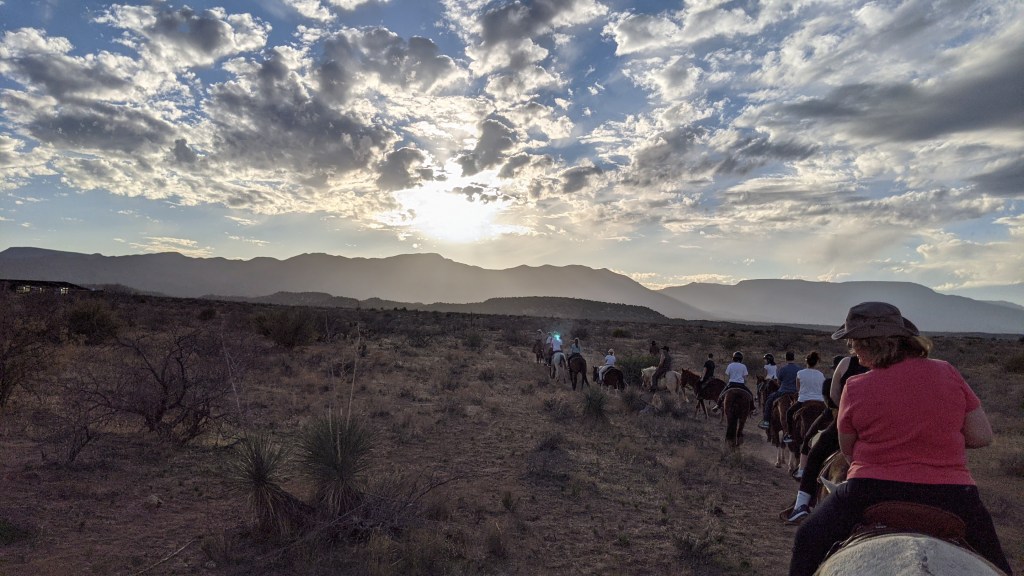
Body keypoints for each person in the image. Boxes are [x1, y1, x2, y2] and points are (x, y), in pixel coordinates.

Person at [788, 302, 1012, 576]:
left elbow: (849, 451)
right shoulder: (947, 371)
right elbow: (982, 436)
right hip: (953, 494)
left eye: (854, 345)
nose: (854, 354)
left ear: (872, 344)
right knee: (999, 567)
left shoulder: (856, 386)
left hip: (869, 490)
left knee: (807, 539)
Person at [784, 353, 868, 524]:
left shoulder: (847, 363)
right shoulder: (895, 362)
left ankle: (801, 505)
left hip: (846, 418)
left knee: (815, 451)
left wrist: (845, 412)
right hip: (882, 425)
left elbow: (833, 394)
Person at [782, 351, 825, 450]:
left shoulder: (800, 373)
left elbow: (798, 388)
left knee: (789, 413)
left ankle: (789, 434)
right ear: (816, 362)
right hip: (820, 401)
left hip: (803, 401)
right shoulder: (821, 374)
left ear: (806, 362)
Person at [759, 351, 800, 429]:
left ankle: (766, 421)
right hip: (796, 393)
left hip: (783, 391)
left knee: (769, 400)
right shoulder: (799, 369)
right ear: (794, 358)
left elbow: (779, 382)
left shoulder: (782, 369)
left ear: (786, 358)